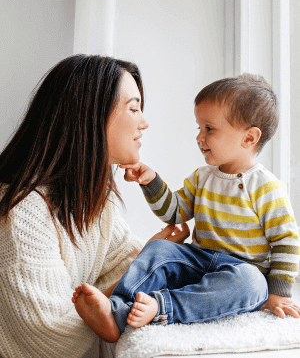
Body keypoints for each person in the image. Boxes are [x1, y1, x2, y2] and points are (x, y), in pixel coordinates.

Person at [72, 73, 300, 339]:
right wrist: (151, 182)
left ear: (249, 138)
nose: (199, 137)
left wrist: (276, 295)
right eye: (199, 128)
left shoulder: (266, 187)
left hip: (240, 271)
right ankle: (116, 309)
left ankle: (162, 307)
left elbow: (285, 241)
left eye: (209, 129)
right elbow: (174, 212)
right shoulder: (202, 177)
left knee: (250, 283)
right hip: (199, 260)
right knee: (159, 248)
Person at [0, 54, 189, 357]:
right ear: (90, 115)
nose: (144, 121)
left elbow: (121, 262)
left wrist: (153, 255)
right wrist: (132, 277)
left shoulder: (92, 202)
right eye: (134, 108)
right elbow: (51, 334)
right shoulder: (22, 212)